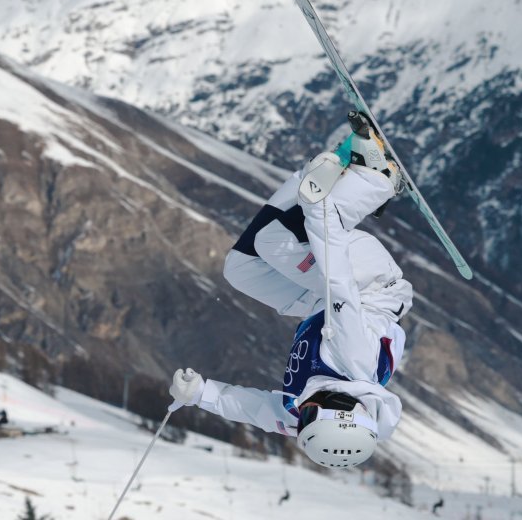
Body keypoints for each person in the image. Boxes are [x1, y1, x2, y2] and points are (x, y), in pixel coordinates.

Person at [169, 113, 413, 468]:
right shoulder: (353, 358)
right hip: (369, 285)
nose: (302, 413)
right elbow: (338, 281)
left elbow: (254, 410)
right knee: (286, 235)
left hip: (321, 305)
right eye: (311, 415)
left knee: (242, 269)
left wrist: (201, 394)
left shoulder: (303, 413)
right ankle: (380, 179)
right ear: (343, 408)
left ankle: (346, 161)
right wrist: (319, 213)